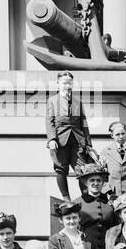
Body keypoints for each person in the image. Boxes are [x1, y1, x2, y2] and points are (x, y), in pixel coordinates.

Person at [45, 71, 94, 199]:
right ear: (58, 84)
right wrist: (52, 139)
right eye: (64, 83)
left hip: (77, 140)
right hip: (60, 140)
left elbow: (84, 123)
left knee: (83, 169)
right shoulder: (52, 101)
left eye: (69, 83)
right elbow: (49, 122)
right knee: (61, 168)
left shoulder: (78, 102)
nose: (67, 86)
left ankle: (86, 197)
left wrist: (88, 143)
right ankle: (66, 197)